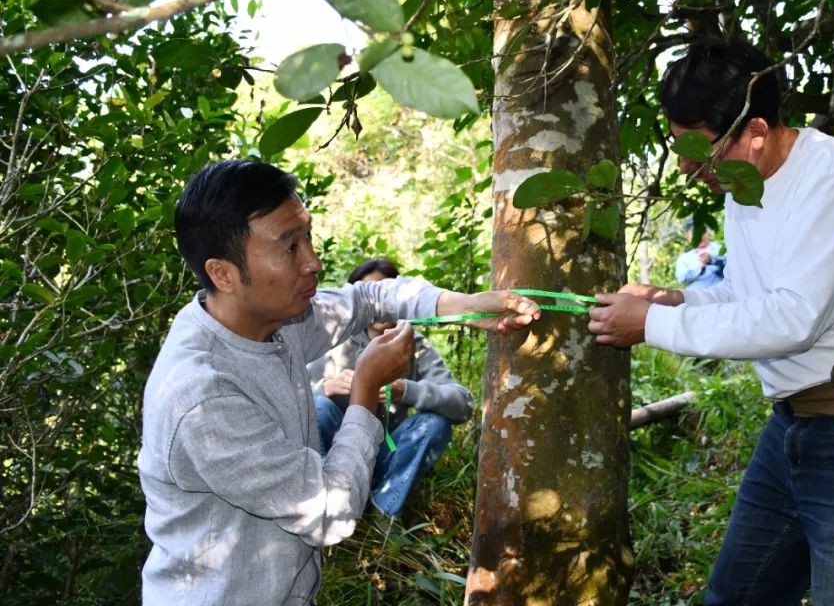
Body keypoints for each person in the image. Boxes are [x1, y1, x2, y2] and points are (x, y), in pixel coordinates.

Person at [587, 39, 834, 606]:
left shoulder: (833, 172)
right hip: (795, 424)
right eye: (677, 146)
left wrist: (652, 324)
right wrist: (675, 300)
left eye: (697, 149)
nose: (685, 166)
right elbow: (749, 293)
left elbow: (794, 316)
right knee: (737, 594)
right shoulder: (742, 184)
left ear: (754, 131)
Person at [138, 160, 539, 605]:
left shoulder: (274, 319)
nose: (314, 262)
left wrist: (461, 305)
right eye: (289, 247)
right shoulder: (202, 397)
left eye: (307, 236)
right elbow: (328, 514)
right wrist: (366, 389)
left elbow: (369, 298)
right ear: (222, 274)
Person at [307, 257, 473, 517]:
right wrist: (326, 387)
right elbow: (286, 397)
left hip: (389, 456)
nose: (379, 304)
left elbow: (463, 403)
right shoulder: (333, 343)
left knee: (433, 424)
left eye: (386, 294)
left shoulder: (414, 345)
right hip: (338, 450)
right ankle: (326, 506)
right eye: (370, 296)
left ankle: (383, 514)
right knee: (317, 407)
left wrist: (406, 390)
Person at [674, 219, 725, 290]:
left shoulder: (721, 249)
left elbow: (733, 268)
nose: (699, 236)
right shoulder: (684, 258)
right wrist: (699, 267)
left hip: (723, 296)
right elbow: (681, 278)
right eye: (695, 234)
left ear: (708, 232)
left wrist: (713, 260)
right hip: (696, 298)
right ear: (689, 237)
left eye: (702, 232)